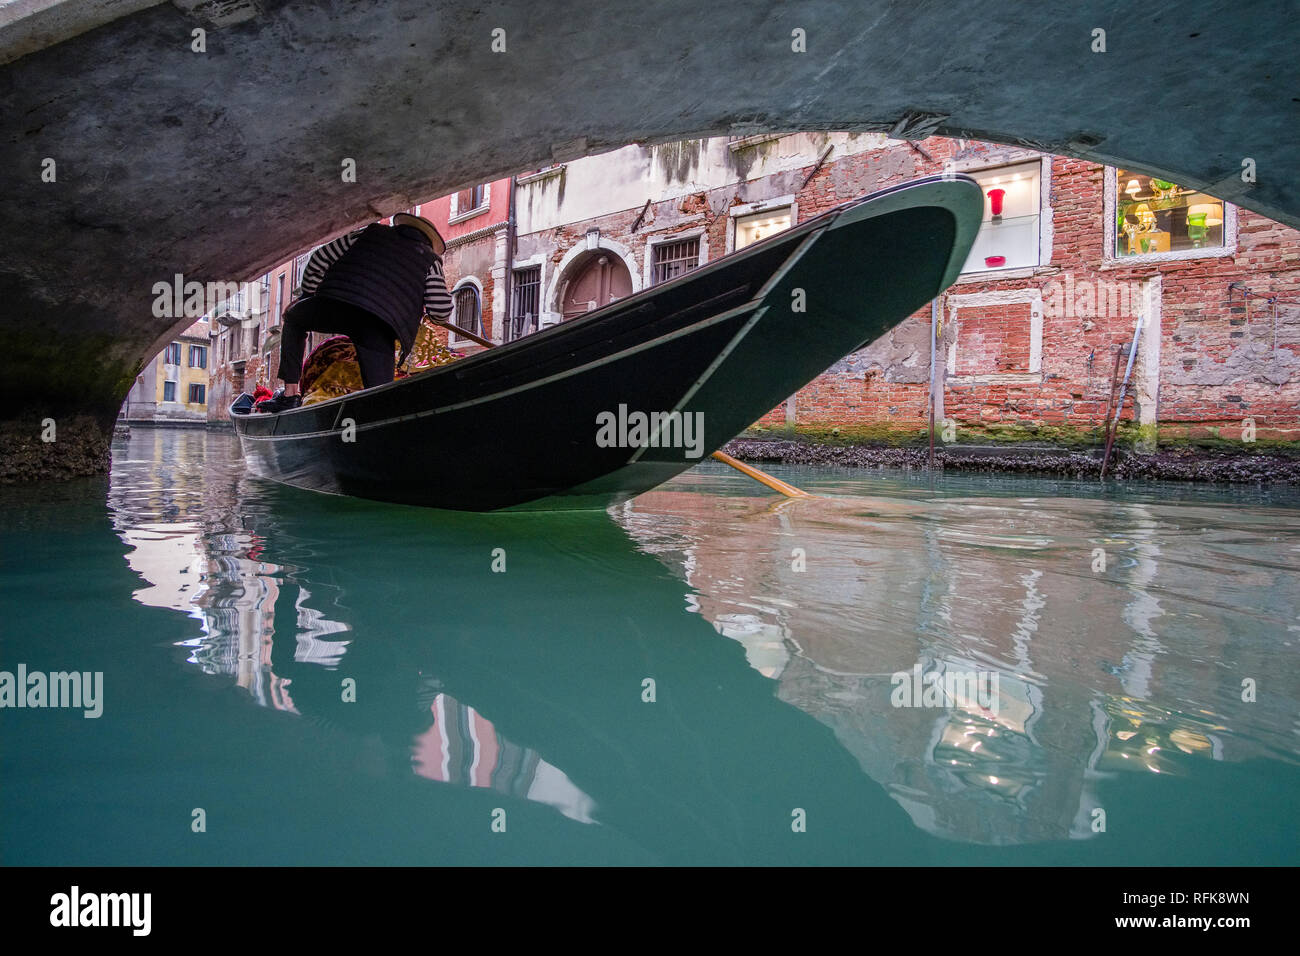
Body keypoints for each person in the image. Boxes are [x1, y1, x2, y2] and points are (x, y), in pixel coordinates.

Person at [258, 213, 454, 412]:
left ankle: (290, 395)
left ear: (401, 227)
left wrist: (310, 295)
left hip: (338, 304)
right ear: (429, 242)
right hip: (379, 327)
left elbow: (317, 261)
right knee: (380, 396)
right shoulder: (430, 260)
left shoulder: (367, 233)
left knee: (294, 318)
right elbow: (440, 311)